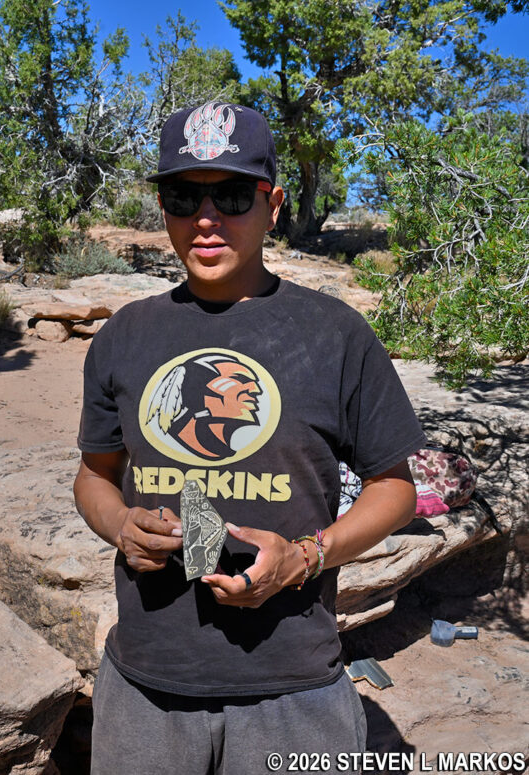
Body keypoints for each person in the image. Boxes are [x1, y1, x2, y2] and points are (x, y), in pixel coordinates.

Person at [74, 100, 427, 774]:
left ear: (273, 205)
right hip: (145, 684)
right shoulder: (124, 335)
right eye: (184, 196)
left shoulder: (336, 333)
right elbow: (94, 475)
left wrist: (305, 556)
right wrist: (120, 524)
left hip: (294, 685)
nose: (206, 218)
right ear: (163, 206)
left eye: (233, 195)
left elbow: (395, 489)